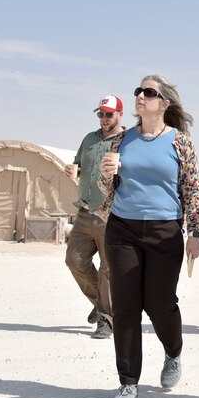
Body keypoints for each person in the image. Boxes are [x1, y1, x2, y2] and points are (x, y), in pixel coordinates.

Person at [98, 75, 199, 398]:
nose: (140, 96)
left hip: (164, 231)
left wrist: (195, 233)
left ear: (164, 103)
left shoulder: (180, 142)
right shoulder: (122, 139)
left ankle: (173, 352)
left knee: (160, 303)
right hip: (122, 229)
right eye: (138, 91)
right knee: (126, 306)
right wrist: (105, 175)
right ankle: (128, 383)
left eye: (149, 92)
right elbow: (106, 188)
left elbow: (192, 189)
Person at [64, 95, 125, 339]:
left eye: (109, 114)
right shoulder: (89, 139)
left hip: (111, 214)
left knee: (108, 269)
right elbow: (78, 164)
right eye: (101, 114)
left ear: (119, 114)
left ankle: (106, 320)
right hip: (84, 212)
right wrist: (73, 170)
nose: (104, 118)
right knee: (74, 260)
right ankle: (101, 304)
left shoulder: (126, 141)